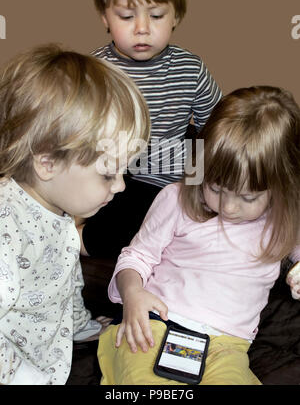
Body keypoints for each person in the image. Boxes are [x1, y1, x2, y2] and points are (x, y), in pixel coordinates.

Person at [97, 86, 300, 385]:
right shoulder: (176, 198)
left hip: (228, 345)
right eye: (216, 189)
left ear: (282, 186)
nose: (228, 207)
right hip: (157, 324)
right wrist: (132, 293)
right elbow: (137, 256)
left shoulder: (285, 218)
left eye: (247, 197)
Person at [0, 43, 150, 385]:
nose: (121, 187)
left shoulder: (59, 212)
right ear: (47, 162)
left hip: (50, 357)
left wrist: (81, 326)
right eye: (108, 174)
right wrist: (19, 376)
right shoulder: (7, 229)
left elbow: (65, 278)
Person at [79, 0, 222, 257]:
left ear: (176, 16)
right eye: (127, 17)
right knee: (109, 221)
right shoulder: (97, 69)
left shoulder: (190, 68)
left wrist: (201, 176)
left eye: (156, 15)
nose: (142, 28)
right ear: (105, 17)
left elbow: (216, 127)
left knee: (205, 221)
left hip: (166, 177)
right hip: (111, 171)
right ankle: (73, 239)